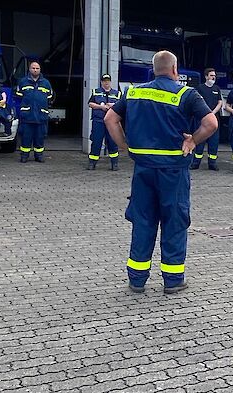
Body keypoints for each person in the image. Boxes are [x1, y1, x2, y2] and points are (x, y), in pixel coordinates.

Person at [103, 49, 215, 295]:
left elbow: (110, 119)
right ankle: (173, 281)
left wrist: (125, 145)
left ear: (153, 70)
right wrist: (193, 141)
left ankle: (137, 280)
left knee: (142, 222)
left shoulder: (134, 92)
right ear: (175, 71)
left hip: (143, 169)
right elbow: (211, 123)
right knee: (174, 223)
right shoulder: (187, 94)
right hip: (173, 171)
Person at [17, 61, 51, 164]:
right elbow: (19, 98)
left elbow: (49, 98)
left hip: (41, 116)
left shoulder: (46, 83)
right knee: (26, 138)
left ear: (40, 70)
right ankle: (24, 156)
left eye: (37, 68)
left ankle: (39, 156)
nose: (35, 70)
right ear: (29, 69)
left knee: (39, 138)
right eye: (33, 68)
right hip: (27, 116)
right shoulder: (23, 82)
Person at [192, 68, 223, 171]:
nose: (213, 77)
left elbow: (220, 102)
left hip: (214, 119)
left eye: (214, 76)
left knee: (213, 143)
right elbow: (197, 102)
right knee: (200, 141)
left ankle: (212, 164)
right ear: (206, 76)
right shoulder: (200, 88)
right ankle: (195, 163)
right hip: (202, 120)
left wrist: (213, 113)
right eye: (211, 75)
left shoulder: (217, 88)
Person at [88, 73, 119, 170]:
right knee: (96, 142)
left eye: (108, 81)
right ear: (101, 82)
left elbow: (123, 105)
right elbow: (90, 104)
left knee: (112, 142)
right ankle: (92, 163)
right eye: (104, 81)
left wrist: (112, 105)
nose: (106, 83)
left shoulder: (117, 93)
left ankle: (114, 164)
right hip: (98, 121)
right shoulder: (96, 92)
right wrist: (100, 107)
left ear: (110, 82)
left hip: (112, 122)